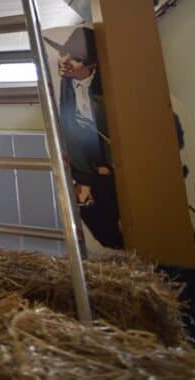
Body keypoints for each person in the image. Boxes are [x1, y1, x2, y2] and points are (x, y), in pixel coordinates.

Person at [47, 26, 123, 250]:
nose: (66, 60)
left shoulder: (108, 86)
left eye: (76, 58)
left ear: (93, 65)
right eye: (65, 53)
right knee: (89, 213)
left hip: (109, 159)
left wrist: (106, 165)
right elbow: (69, 124)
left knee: (114, 210)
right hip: (85, 160)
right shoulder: (67, 82)